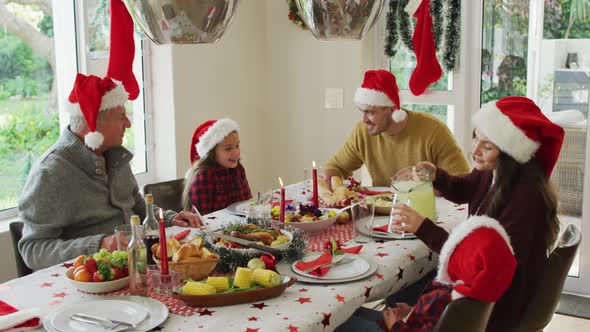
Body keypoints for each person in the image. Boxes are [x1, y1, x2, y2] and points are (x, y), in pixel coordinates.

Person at [391, 96, 564, 331]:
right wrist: (437, 176)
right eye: (476, 138)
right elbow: (465, 189)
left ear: (511, 152)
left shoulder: (526, 196)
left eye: (487, 146)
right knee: (412, 289)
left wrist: (424, 228)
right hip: (490, 292)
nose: (475, 150)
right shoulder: (494, 172)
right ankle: (417, 315)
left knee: (406, 291)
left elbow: (479, 263)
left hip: (498, 307)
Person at [18, 74, 201, 271]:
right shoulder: (49, 173)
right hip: (88, 281)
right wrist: (98, 245)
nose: (128, 124)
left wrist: (171, 218)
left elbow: (136, 204)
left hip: (133, 268)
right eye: (121, 117)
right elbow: (33, 250)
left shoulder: (114, 155)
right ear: (94, 123)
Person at [336, 216, 517, 332]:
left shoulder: (445, 298)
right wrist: (413, 312)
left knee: (338, 322)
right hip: (410, 324)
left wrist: (396, 326)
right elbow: (432, 321)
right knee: (351, 313)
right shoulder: (471, 294)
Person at [323, 69, 470, 187]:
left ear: (392, 109)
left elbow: (463, 184)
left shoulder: (435, 131)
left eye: (371, 112)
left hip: (427, 212)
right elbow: (335, 167)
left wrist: (423, 183)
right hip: (382, 212)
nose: (364, 120)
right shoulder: (362, 132)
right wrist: (331, 180)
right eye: (362, 111)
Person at [182, 118, 252, 215]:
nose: (236, 153)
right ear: (212, 153)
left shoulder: (238, 169)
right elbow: (202, 220)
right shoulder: (204, 176)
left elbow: (246, 204)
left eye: (237, 146)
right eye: (228, 148)